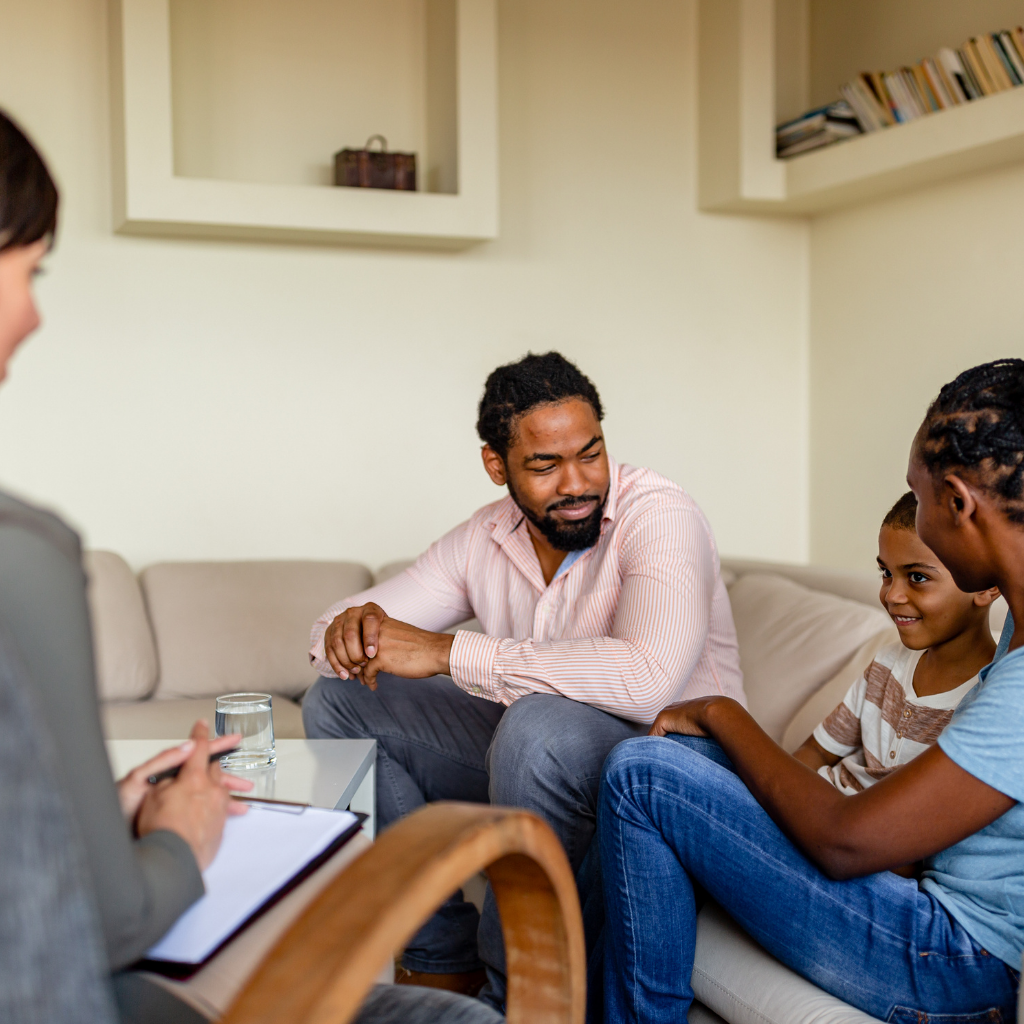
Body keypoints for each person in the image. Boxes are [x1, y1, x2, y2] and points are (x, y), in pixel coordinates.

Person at [0, 108, 502, 1024]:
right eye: (28, 271)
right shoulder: (21, 557)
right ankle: (448, 967)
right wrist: (180, 839)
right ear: (499, 466)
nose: (33, 313)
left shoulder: (651, 527)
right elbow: (113, 922)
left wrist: (97, 816)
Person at [302, 351, 744, 1005]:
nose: (577, 483)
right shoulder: (486, 536)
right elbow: (328, 633)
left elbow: (648, 679)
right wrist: (352, 630)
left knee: (534, 722)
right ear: (496, 465)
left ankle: (521, 1002)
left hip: (673, 765)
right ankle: (440, 957)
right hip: (540, 759)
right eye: (544, 465)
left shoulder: (660, 516)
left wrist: (451, 652)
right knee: (338, 703)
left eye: (590, 453)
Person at [590, 358, 1024, 1023]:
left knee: (644, 776)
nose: (920, 519)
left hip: (952, 958)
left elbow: (846, 840)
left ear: (960, 504)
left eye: (921, 496)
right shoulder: (1015, 627)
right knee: (666, 762)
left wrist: (720, 711)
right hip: (929, 920)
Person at [793, 489, 998, 809]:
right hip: (813, 810)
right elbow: (815, 752)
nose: (892, 595)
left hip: (855, 840)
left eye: (917, 576)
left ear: (986, 585)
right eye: (886, 573)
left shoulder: (990, 698)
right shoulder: (886, 665)